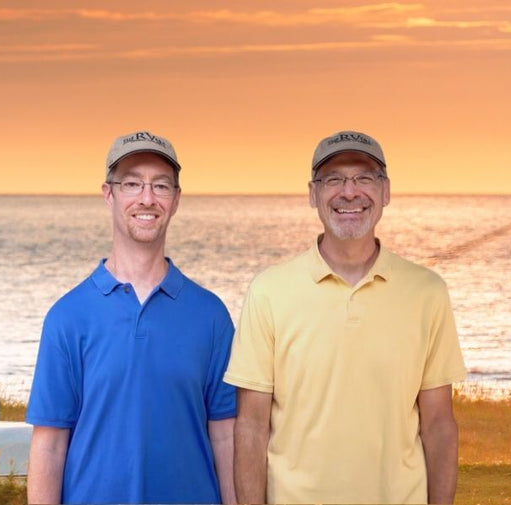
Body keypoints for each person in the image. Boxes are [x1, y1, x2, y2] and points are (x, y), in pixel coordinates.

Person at [227, 130, 466, 503]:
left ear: (385, 191)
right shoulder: (268, 292)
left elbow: (438, 425)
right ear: (313, 194)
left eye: (364, 178)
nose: (349, 192)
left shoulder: (427, 292)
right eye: (334, 179)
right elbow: (252, 426)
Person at [26, 131, 238, 504]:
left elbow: (225, 435)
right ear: (109, 194)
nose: (147, 198)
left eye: (161, 186)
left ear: (175, 201)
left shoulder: (211, 316)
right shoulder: (67, 317)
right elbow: (50, 446)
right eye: (132, 184)